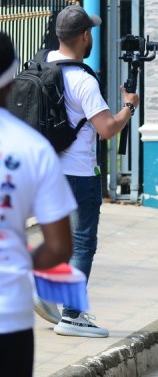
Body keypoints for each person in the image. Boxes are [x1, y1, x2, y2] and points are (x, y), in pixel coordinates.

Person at [32, 6, 139, 338]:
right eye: (89, 32)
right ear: (83, 36)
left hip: (46, 171)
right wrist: (129, 106)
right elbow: (107, 129)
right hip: (78, 172)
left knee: (59, 237)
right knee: (82, 244)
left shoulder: (41, 64)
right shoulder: (82, 79)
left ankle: (44, 290)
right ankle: (73, 315)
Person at [0, 33, 75, 377]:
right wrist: (19, 265)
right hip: (8, 315)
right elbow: (59, 247)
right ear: (13, 78)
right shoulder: (33, 148)